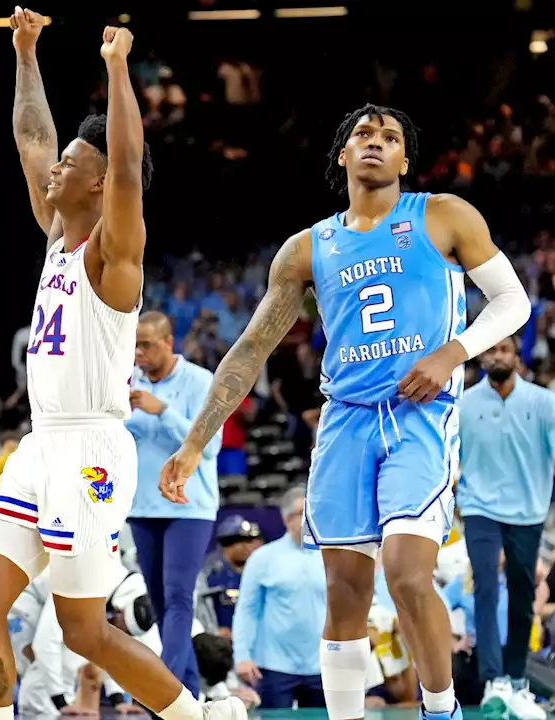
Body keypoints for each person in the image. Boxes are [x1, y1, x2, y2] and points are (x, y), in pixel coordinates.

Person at [160, 104, 531, 720]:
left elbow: (511, 300)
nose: (376, 143)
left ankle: (442, 711)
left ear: (405, 159)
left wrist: (451, 352)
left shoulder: (442, 215)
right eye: (364, 134)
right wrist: (197, 441)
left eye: (390, 138)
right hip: (345, 422)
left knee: (408, 574)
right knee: (344, 593)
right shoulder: (308, 248)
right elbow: (250, 349)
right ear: (343, 154)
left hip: (419, 418)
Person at [0, 12, 242, 720]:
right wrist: (26, 54)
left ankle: (192, 715)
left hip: (92, 444)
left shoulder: (113, 259)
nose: (57, 166)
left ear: (99, 185)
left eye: (73, 164)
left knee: (85, 629)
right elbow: (31, 137)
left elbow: (123, 163)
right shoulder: (58, 235)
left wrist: (118, 68)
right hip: (42, 441)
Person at [457, 335, 554, 720]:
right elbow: (451, 456)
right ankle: (493, 679)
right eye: (491, 350)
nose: (498, 356)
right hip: (479, 507)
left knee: (520, 593)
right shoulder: (463, 404)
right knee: (483, 583)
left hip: (528, 512)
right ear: (481, 357)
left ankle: (517, 681)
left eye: (505, 350)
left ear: (517, 357)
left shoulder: (543, 402)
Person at [127, 310, 222, 694]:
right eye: (133, 346)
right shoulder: (126, 382)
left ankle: (163, 693)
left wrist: (162, 411)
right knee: (161, 603)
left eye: (146, 345)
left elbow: (210, 446)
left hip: (188, 506)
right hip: (140, 506)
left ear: (169, 343)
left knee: (180, 597)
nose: (138, 354)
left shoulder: (200, 381)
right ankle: (190, 699)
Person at [230, 486, 327, 710]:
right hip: (275, 666)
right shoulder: (263, 558)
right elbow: (246, 610)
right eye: (302, 512)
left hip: (321, 664)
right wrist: (242, 656)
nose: (309, 518)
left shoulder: (330, 556)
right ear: (286, 519)